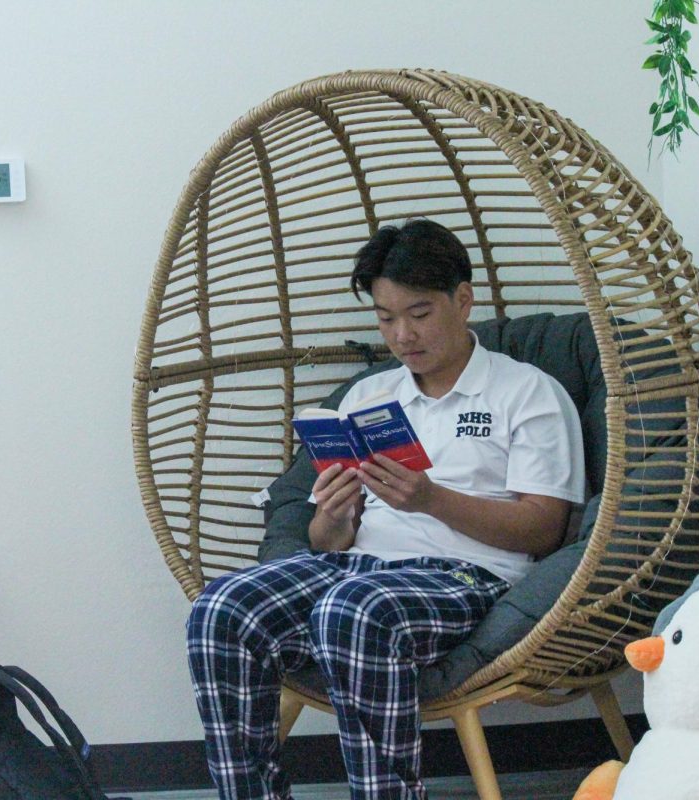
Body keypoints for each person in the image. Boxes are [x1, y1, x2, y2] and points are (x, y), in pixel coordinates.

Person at [186, 219, 585, 800]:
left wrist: (432, 499)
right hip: (355, 569)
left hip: (465, 575)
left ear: (463, 300)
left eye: (419, 314)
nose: (403, 335)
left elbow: (545, 529)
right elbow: (326, 543)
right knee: (220, 609)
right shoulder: (370, 396)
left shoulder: (527, 393)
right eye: (385, 317)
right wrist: (335, 518)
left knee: (351, 612)